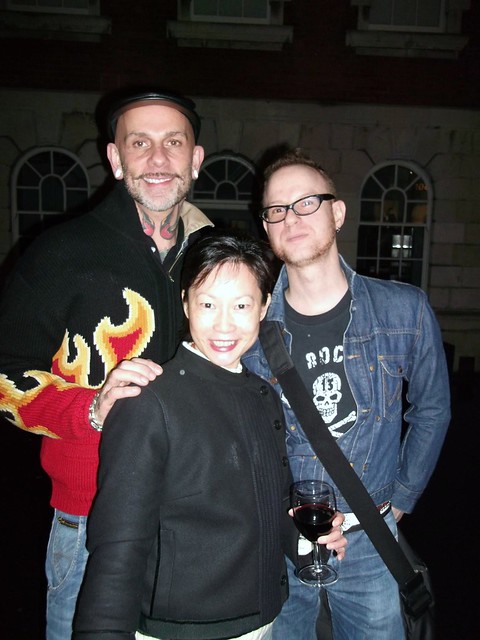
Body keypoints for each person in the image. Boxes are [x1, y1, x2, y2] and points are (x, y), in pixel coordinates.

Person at [0, 88, 213, 640]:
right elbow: (4, 377)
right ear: (116, 159)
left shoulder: (216, 259)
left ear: (196, 159)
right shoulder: (60, 253)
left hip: (194, 521)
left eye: (174, 143)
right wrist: (91, 408)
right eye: (140, 143)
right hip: (89, 519)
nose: (158, 159)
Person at [72, 231, 347, 640]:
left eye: (241, 305)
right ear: (186, 303)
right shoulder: (149, 401)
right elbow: (117, 547)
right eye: (207, 304)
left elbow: (268, 505)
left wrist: (308, 540)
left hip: (261, 619)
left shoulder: (263, 395)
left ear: (263, 306)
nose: (224, 324)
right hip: (183, 628)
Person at [242, 149, 451, 640]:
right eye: (277, 209)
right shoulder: (248, 331)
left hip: (371, 542)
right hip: (283, 545)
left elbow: (432, 410)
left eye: (306, 202)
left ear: (337, 213)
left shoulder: (403, 310)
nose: (291, 217)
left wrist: (400, 501)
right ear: (267, 227)